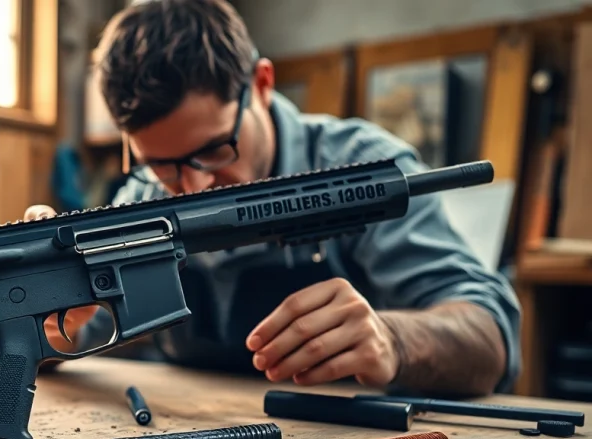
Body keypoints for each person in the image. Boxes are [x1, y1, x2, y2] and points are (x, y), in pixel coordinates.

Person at [27, 0, 520, 397]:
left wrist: (395, 340)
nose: (193, 187)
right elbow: (67, 344)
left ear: (261, 85)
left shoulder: (364, 168)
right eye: (163, 165)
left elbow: (489, 335)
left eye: (215, 150)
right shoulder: (141, 200)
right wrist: (43, 320)